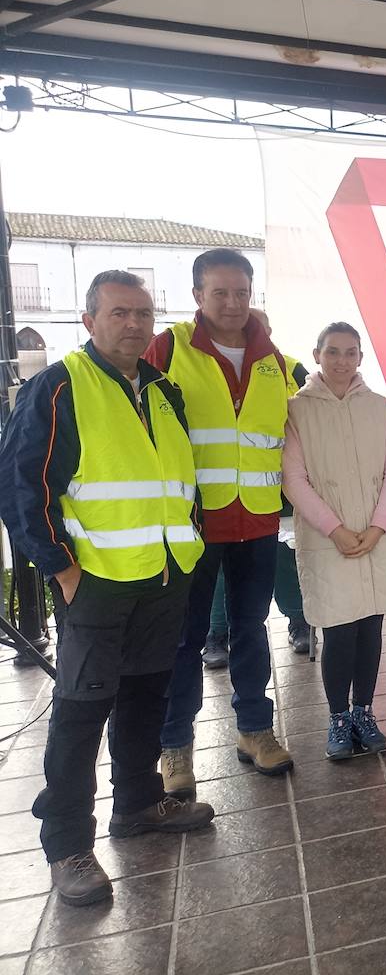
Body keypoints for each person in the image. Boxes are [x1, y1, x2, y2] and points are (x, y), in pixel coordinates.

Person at [0, 271, 214, 906]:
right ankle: (68, 842)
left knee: (148, 694)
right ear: (90, 320)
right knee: (82, 709)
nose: (135, 324)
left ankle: (139, 804)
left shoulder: (161, 390)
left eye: (144, 313)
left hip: (163, 573)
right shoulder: (59, 386)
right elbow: (22, 489)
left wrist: (189, 541)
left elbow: (177, 481)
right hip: (94, 582)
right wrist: (61, 568)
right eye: (120, 312)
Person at [149, 249, 293, 795]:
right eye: (219, 292)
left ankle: (255, 730)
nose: (232, 303)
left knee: (252, 630)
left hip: (255, 521)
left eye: (240, 292)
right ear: (197, 297)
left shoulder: (272, 359)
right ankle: (174, 747)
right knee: (185, 640)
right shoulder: (167, 350)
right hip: (193, 523)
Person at [283, 323, 386, 759]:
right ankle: (338, 717)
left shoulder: (379, 407)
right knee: (339, 631)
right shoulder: (296, 410)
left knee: (371, 627)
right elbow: (293, 478)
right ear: (317, 354)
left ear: (361, 358)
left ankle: (364, 710)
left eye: (350, 352)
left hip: (376, 535)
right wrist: (334, 528)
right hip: (329, 537)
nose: (342, 360)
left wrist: (378, 526)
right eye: (333, 352)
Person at [202, 308, 311, 666]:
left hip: (279, 491)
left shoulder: (289, 368)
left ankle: (298, 621)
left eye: (259, 330)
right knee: (220, 572)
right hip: (220, 494)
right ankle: (216, 634)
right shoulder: (210, 366)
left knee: (285, 561)